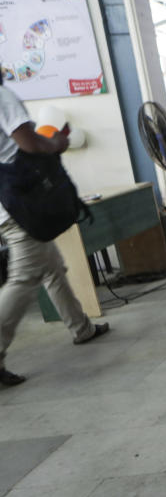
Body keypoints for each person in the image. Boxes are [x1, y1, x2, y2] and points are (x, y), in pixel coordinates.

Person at [0, 83, 109, 387]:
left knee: (53, 268)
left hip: (7, 205)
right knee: (24, 277)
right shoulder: (1, 96)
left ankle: (81, 327)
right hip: (19, 207)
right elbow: (29, 144)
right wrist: (57, 142)